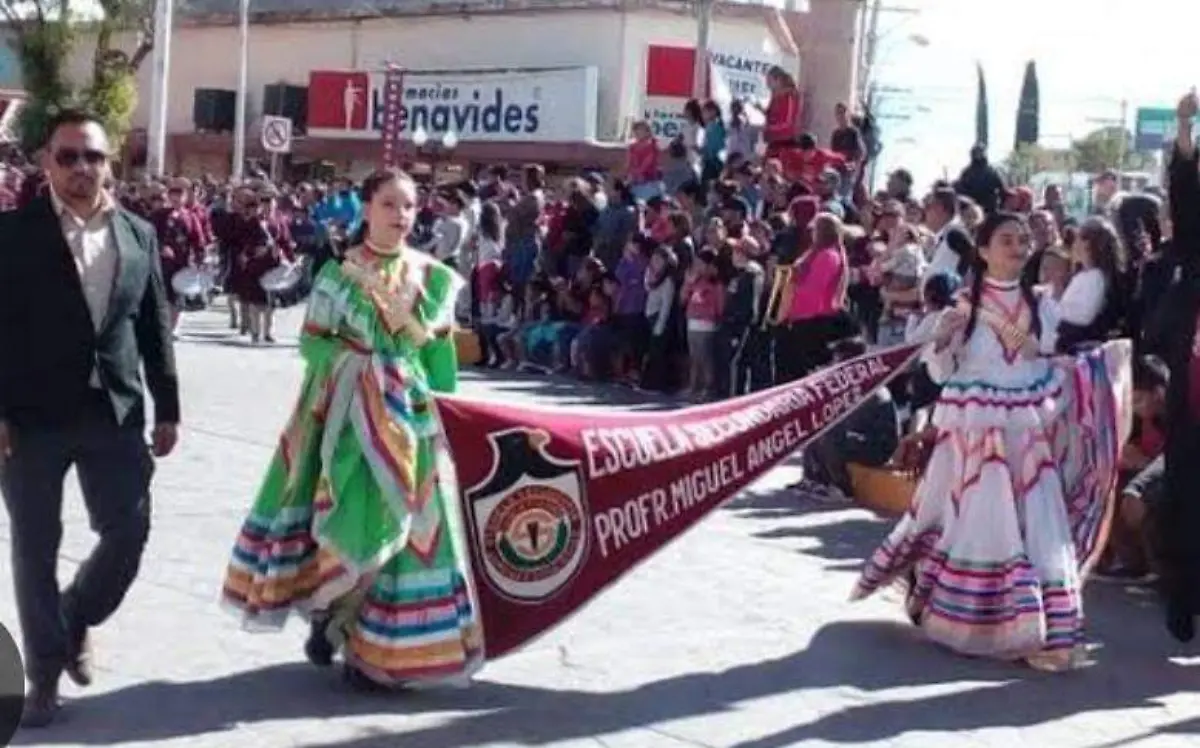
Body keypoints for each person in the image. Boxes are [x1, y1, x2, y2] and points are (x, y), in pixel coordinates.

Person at [220, 168, 480, 691]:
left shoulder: (431, 277)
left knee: (409, 527)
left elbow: (438, 354)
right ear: (365, 208)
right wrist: (358, 370)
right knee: (349, 515)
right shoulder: (338, 277)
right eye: (389, 204)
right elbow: (313, 344)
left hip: (408, 419)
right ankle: (334, 615)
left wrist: (446, 414)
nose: (401, 215)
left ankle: (376, 648)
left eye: (408, 206)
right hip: (347, 419)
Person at [852, 211, 1120, 672]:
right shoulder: (963, 306)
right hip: (975, 427)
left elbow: (1048, 358)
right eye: (1006, 240)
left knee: (1035, 517)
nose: (1017, 247)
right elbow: (940, 371)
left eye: (1022, 240)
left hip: (1028, 423)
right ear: (982, 250)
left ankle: (1035, 627)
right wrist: (943, 342)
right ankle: (975, 619)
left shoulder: (1042, 306)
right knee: (978, 514)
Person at [0, 109, 180, 727]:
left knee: (128, 532)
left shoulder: (138, 234)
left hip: (115, 410)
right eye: (68, 156)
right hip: (29, 418)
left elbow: (154, 326)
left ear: (111, 162)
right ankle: (44, 674)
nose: (82, 168)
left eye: (93, 156)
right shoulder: (11, 235)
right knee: (33, 548)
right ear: (46, 162)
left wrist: (169, 405)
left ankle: (77, 612)